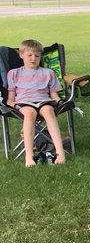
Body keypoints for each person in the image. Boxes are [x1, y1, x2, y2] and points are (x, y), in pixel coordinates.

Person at [6, 38, 66, 166]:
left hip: (44, 101)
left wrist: (60, 102)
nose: (33, 59)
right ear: (21, 55)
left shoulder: (49, 73)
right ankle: (29, 156)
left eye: (37, 56)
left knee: (49, 111)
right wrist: (10, 103)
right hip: (24, 102)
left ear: (40, 56)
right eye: (29, 55)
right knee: (30, 113)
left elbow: (54, 95)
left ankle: (60, 153)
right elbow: (11, 96)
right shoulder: (13, 73)